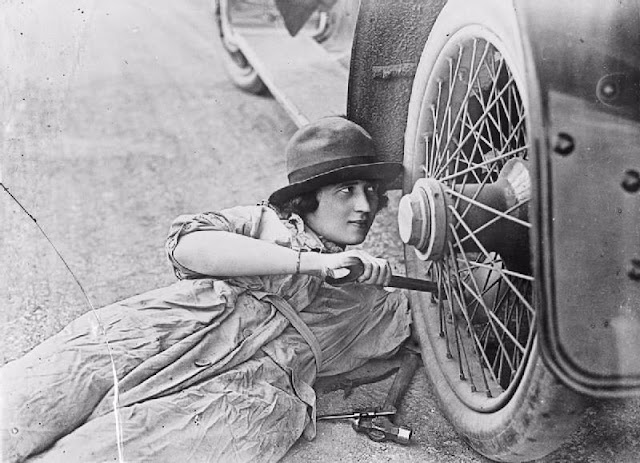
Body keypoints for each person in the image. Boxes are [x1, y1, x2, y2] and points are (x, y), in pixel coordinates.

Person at [1, 117, 412, 462]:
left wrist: (372, 280)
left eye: (371, 192)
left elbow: (441, 318)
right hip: (161, 331)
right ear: (307, 199)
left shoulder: (368, 297)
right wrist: (313, 263)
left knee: (119, 450)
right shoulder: (263, 225)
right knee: (32, 400)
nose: (364, 206)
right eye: (346, 191)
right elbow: (188, 245)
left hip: (247, 386)